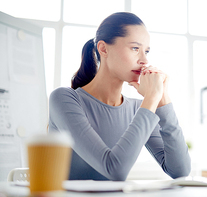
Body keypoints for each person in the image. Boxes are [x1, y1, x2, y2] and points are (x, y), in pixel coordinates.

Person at [48, 12, 191, 181]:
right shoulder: (64, 99)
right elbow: (114, 169)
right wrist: (151, 98)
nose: (144, 60)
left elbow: (180, 170)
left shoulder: (138, 108)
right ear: (103, 48)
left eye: (146, 51)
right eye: (135, 48)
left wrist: (162, 98)